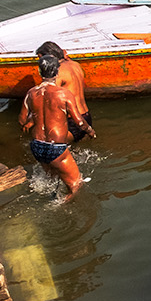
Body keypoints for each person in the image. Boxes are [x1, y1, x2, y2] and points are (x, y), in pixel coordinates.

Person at [19, 51, 88, 197]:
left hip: (37, 146)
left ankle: (50, 196)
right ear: (57, 71)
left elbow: (22, 120)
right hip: (56, 147)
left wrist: (35, 118)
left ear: (39, 71)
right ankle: (60, 205)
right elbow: (79, 122)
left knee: (52, 178)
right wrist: (90, 131)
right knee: (76, 184)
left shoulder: (31, 93)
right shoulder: (63, 94)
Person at [35, 42, 94, 141]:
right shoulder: (75, 65)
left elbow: (48, 96)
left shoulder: (58, 72)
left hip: (72, 120)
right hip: (86, 117)